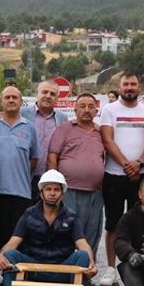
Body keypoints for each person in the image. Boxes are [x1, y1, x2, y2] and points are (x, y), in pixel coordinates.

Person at [0, 169, 96, 286]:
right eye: (48, 189)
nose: (52, 193)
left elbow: (83, 244)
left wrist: (92, 264)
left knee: (83, 255)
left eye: (56, 189)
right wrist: (0, 255)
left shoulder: (71, 217)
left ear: (63, 194)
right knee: (10, 254)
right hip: (33, 270)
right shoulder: (29, 214)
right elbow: (13, 242)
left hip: (62, 270)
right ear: (41, 193)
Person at [98, 72, 144, 286]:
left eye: (133, 84)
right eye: (126, 84)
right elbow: (107, 139)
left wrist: (139, 163)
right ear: (119, 86)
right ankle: (111, 269)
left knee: (138, 224)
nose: (129, 87)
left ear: (139, 86)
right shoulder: (109, 110)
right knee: (112, 223)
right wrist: (125, 163)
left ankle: (137, 267)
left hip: (139, 176)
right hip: (114, 175)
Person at [0, 85, 38, 284]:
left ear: (21, 102)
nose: (10, 100)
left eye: (15, 97)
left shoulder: (29, 127)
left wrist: (20, 173)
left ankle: (13, 274)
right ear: (1, 101)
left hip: (21, 191)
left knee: (16, 234)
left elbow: (33, 159)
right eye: (7, 97)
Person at [48, 93, 105, 261]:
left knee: (91, 234)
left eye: (90, 107)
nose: (86, 110)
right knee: (66, 233)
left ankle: (86, 276)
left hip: (95, 193)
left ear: (96, 110)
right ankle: (64, 275)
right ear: (75, 109)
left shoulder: (100, 132)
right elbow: (52, 158)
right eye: (82, 106)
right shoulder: (64, 129)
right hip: (69, 191)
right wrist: (54, 188)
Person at [21, 79, 64, 191]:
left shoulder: (62, 118)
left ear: (57, 99)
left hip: (50, 178)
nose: (48, 96)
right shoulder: (22, 114)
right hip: (26, 176)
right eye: (44, 92)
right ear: (37, 94)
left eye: (52, 94)